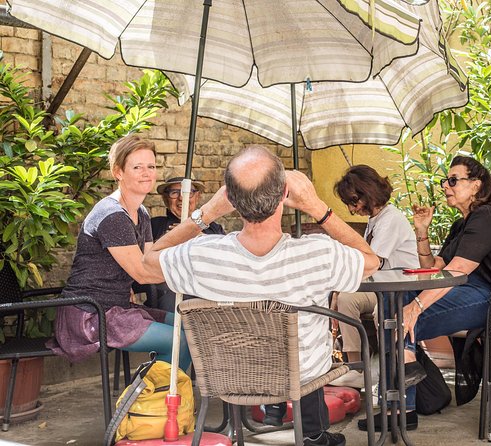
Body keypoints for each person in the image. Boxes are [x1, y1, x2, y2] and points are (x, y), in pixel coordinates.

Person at [142, 145, 379, 446]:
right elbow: (371, 261)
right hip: (301, 378)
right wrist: (318, 207)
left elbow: (147, 264)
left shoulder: (202, 254)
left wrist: (206, 213)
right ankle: (313, 433)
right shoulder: (318, 253)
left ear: (229, 199)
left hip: (229, 377)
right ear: (284, 196)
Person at [358, 155, 491, 432]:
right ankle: (409, 377)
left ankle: (402, 406)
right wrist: (422, 232)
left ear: (476, 185)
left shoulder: (489, 216)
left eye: (453, 180)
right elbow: (434, 269)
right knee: (392, 301)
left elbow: (459, 268)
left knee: (399, 317)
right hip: (468, 290)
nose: (446, 186)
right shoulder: (462, 224)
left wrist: (416, 306)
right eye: (444, 181)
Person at [48, 135, 191, 372]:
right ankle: (159, 405)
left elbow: (150, 258)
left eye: (151, 166)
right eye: (137, 167)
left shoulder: (140, 212)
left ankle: (158, 398)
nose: (147, 173)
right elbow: (144, 273)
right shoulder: (112, 215)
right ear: (118, 172)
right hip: (91, 313)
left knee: (190, 329)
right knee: (180, 341)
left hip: (119, 308)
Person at [329, 165, 419, 388]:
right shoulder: (375, 219)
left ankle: (390, 371)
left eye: (353, 202)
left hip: (400, 289)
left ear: (367, 193)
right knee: (346, 299)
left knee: (382, 307)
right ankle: (356, 367)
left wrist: (338, 285)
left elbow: (372, 263)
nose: (351, 210)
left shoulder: (391, 219)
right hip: (382, 286)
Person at [145, 177, 225, 311]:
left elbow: (226, 262)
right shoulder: (154, 226)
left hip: (207, 301)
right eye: (174, 192)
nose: (182, 197)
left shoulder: (213, 229)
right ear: (166, 199)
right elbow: (142, 265)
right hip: (167, 302)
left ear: (197, 196)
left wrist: (199, 238)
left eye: (188, 192)